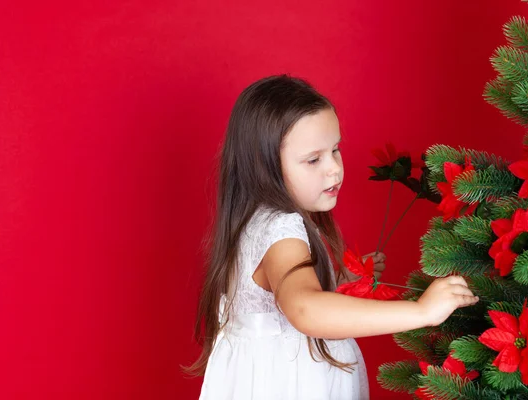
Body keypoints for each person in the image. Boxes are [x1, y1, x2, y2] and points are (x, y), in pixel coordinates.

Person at [186, 74, 479, 399]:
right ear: (264, 166)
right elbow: (304, 310)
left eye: (335, 150)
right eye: (313, 159)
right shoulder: (280, 228)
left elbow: (274, 305)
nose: (334, 169)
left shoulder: (256, 220)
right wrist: (422, 311)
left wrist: (338, 281)